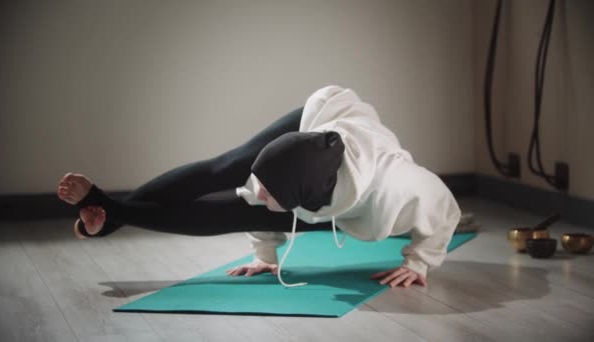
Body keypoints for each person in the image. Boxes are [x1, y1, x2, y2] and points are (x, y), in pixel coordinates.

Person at [57, 85, 461, 289]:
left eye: (269, 190)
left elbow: (442, 204)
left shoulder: (399, 188)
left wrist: (419, 262)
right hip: (321, 123)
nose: (258, 190)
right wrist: (265, 253)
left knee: (238, 209)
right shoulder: (285, 175)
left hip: (349, 178)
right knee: (228, 169)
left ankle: (111, 213)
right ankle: (111, 213)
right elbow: (256, 188)